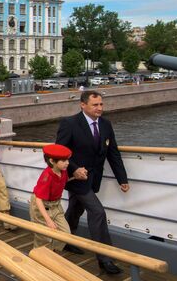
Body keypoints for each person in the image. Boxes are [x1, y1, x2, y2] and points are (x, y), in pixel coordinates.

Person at [56, 90, 129, 274]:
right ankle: (105, 259)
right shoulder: (70, 123)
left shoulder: (106, 124)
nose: (99, 108)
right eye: (95, 105)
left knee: (75, 208)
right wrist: (74, 168)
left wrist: (122, 179)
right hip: (76, 179)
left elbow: (113, 153)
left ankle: (65, 240)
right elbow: (59, 151)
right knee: (97, 212)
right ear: (83, 105)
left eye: (101, 104)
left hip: (93, 178)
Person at [30, 144, 74, 252]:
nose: (67, 163)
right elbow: (39, 199)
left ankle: (52, 252)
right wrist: (48, 220)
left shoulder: (63, 171)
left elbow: (61, 182)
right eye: (63, 161)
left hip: (55, 206)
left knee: (65, 233)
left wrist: (76, 177)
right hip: (41, 207)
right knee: (43, 237)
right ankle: (39, 257)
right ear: (52, 161)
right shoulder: (47, 176)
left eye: (67, 160)